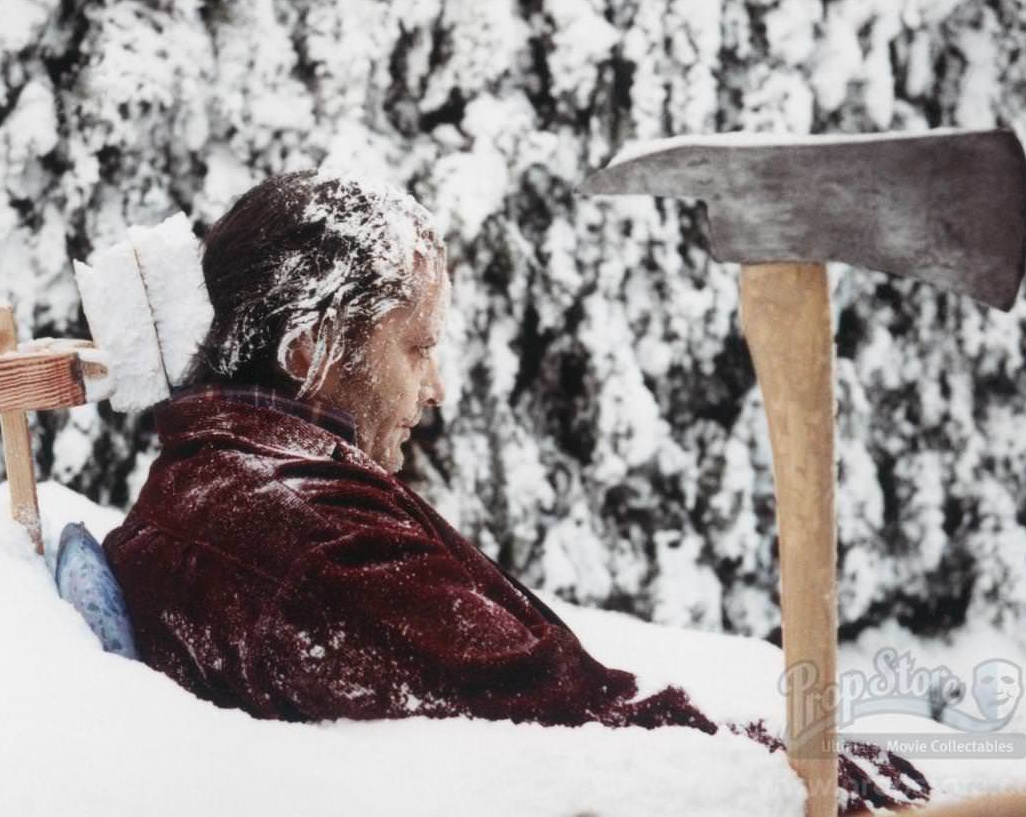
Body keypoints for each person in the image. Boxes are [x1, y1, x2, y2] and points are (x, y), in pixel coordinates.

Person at [103, 170, 928, 813]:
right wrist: (775, 765)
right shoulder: (308, 543)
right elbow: (565, 727)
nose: (437, 389)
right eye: (417, 348)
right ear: (307, 353)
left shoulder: (228, 482)